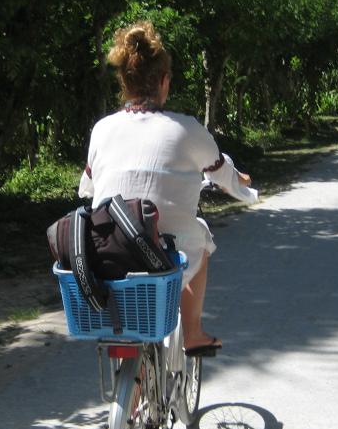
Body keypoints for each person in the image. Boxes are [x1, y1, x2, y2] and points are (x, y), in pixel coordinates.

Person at [79, 20, 257, 355]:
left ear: (124, 82)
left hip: (109, 251)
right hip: (165, 252)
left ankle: (130, 395)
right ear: (164, 81)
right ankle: (192, 333)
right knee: (201, 239)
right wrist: (242, 184)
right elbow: (223, 173)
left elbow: (87, 187)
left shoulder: (102, 130)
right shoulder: (186, 129)